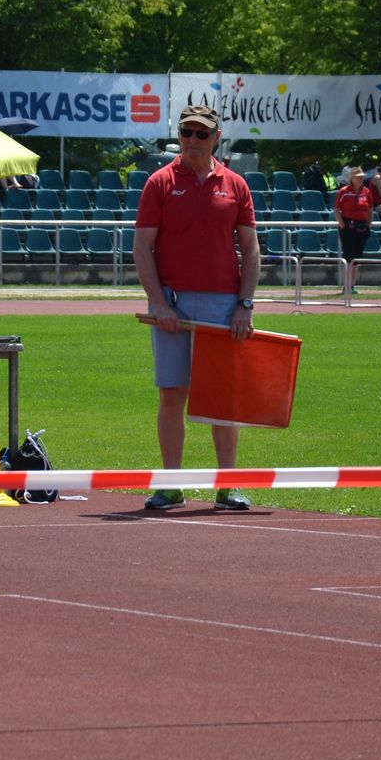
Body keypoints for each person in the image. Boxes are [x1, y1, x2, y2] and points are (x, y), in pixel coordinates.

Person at [133, 102, 260, 513]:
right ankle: (171, 485)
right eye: (186, 132)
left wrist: (245, 305)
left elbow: (251, 249)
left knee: (222, 398)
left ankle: (227, 485)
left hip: (223, 304)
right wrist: (158, 303)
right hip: (172, 302)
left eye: (201, 133)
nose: (192, 139)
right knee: (172, 392)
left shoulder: (236, 185)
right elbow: (142, 247)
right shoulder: (160, 182)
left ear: (216, 138)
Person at [333, 166, 374, 292]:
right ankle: (346, 285)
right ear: (352, 179)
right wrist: (342, 225)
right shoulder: (344, 191)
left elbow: (370, 209)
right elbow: (336, 209)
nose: (361, 179)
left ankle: (352, 285)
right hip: (348, 226)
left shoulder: (366, 192)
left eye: (362, 177)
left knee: (357, 257)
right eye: (358, 177)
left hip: (362, 226)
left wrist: (369, 225)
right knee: (348, 255)